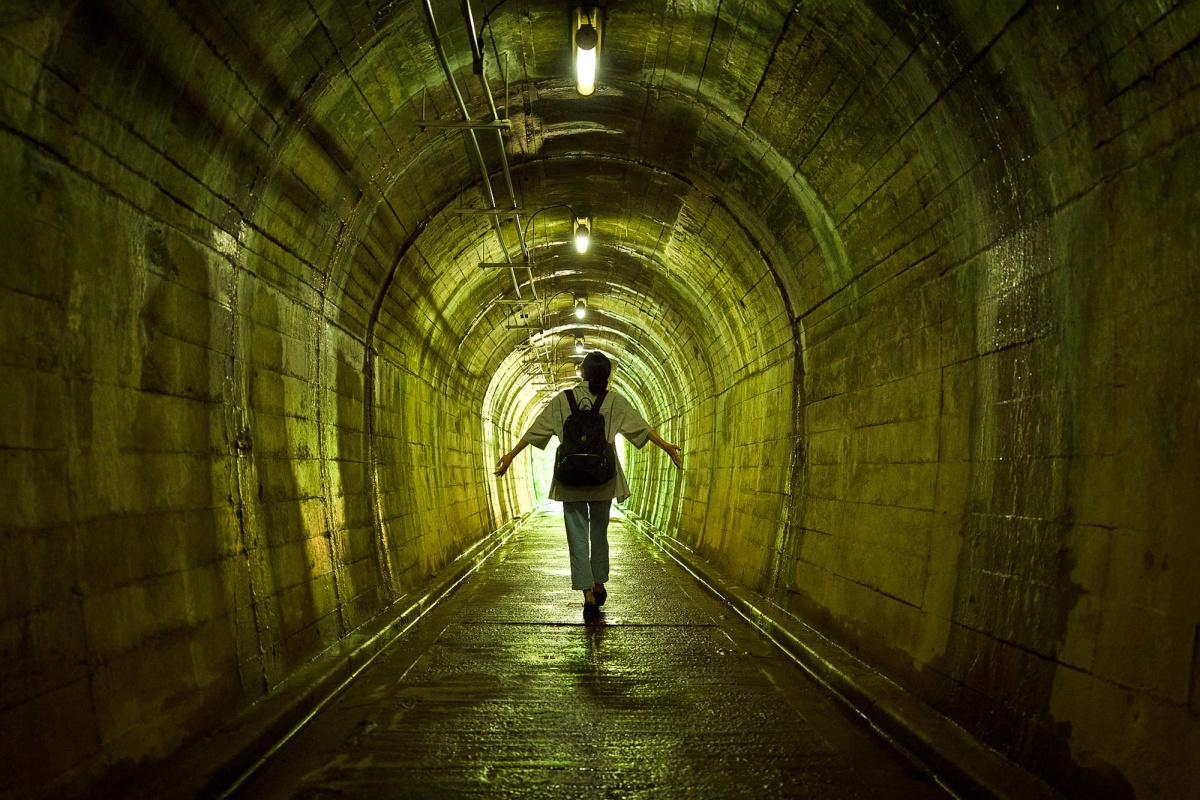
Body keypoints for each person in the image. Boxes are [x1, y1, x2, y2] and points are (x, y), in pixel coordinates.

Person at [494, 351, 683, 621]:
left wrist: (510, 456)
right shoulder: (614, 400)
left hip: (570, 480)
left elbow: (536, 430)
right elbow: (640, 427)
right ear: (607, 376)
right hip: (603, 479)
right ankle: (599, 582)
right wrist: (666, 447)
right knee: (599, 533)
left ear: (582, 373)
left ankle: (588, 595)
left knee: (577, 536)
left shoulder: (563, 400)